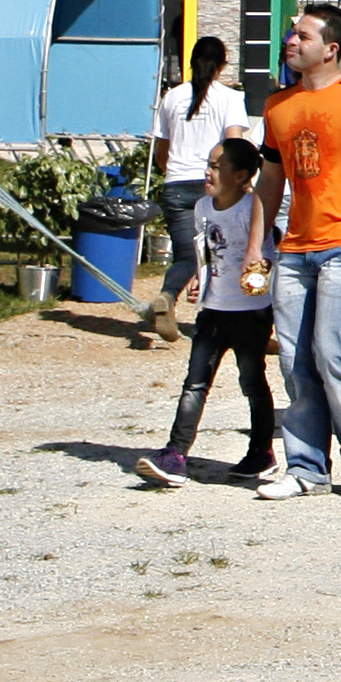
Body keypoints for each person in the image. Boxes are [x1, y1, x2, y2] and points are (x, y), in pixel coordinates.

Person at [244, 4, 341, 500]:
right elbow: (269, 182)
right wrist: (256, 247)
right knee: (293, 360)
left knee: (333, 350)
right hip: (294, 249)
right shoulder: (278, 106)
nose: (292, 41)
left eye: (303, 35)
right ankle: (306, 467)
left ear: (331, 48)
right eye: (292, 33)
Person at [133, 138, 276, 488]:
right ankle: (176, 453)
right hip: (212, 312)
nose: (207, 172)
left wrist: (255, 289)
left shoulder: (254, 209)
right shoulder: (202, 209)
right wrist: (201, 279)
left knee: (252, 382)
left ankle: (262, 452)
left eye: (216, 166)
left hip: (250, 313)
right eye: (208, 165)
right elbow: (206, 253)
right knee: (195, 383)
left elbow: (267, 260)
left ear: (241, 175)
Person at [147, 35, 255, 347]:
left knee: (187, 254)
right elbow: (235, 144)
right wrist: (242, 180)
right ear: (222, 65)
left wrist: (170, 172)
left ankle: (168, 297)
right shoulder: (230, 98)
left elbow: (162, 151)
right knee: (223, 253)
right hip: (215, 185)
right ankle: (224, 318)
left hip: (177, 185)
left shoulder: (172, 97)